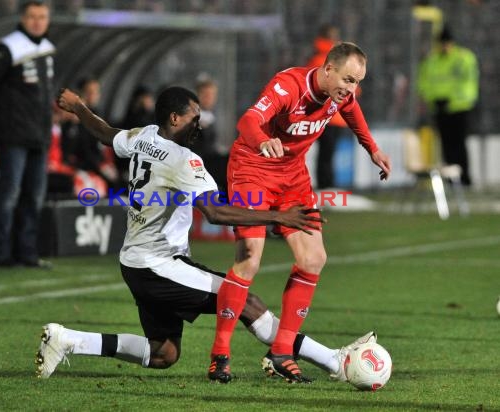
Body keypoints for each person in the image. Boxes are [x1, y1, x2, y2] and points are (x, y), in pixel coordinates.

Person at [35, 86, 377, 382]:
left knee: (163, 354)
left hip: (134, 263)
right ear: (174, 119)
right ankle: (333, 360)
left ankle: (68, 339)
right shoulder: (184, 161)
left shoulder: (144, 135)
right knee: (248, 302)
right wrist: (279, 215)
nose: (200, 124)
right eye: (194, 118)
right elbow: (215, 212)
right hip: (159, 264)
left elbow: (107, 133)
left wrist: (79, 107)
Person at [210, 42, 391, 383]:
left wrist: (373, 149)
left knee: (313, 259)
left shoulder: (341, 96)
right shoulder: (288, 85)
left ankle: (281, 352)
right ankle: (220, 353)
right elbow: (248, 120)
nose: (351, 90)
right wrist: (263, 139)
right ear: (327, 70)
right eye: (348, 79)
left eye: (357, 82)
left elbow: (352, 112)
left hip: (292, 177)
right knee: (249, 258)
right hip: (253, 170)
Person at [0, 1, 55, 268]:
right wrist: (4, 114)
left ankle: (27, 253)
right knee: (9, 194)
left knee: (33, 197)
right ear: (22, 18)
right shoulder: (8, 47)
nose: (37, 21)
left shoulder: (45, 49)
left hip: (39, 135)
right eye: (32, 16)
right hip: (13, 134)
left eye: (42, 16)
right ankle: (0, 253)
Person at [417, 26, 479, 186]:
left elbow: (469, 84)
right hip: (439, 108)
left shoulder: (463, 58)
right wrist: (434, 99)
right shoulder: (432, 61)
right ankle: (452, 179)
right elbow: (423, 83)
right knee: (446, 144)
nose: (445, 46)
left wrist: (452, 100)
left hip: (459, 108)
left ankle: (464, 177)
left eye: (447, 42)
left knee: (459, 143)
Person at [306, 24, 349, 189]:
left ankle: (326, 186)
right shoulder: (326, 61)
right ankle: (326, 187)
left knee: (326, 154)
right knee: (326, 154)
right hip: (329, 116)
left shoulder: (322, 59)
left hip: (330, 115)